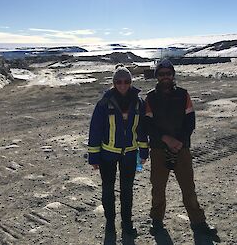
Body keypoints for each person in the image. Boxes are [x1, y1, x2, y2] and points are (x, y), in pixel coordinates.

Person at [145, 59, 220, 244]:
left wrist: (179, 141)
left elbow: (190, 121)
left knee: (188, 188)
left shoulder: (184, 95)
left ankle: (198, 222)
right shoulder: (150, 98)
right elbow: (146, 124)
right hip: (158, 149)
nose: (165, 77)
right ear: (157, 76)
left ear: (173, 75)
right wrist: (166, 139)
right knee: (158, 188)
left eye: (168, 74)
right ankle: (156, 220)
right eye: (161, 74)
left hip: (182, 149)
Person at [88, 64, 149, 244]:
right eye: (119, 82)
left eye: (126, 81)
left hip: (130, 154)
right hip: (107, 155)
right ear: (114, 83)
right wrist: (93, 157)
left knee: (127, 190)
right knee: (108, 189)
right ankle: (110, 223)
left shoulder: (139, 103)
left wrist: (144, 152)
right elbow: (95, 130)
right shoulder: (104, 103)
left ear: (131, 82)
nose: (123, 85)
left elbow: (142, 130)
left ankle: (127, 223)